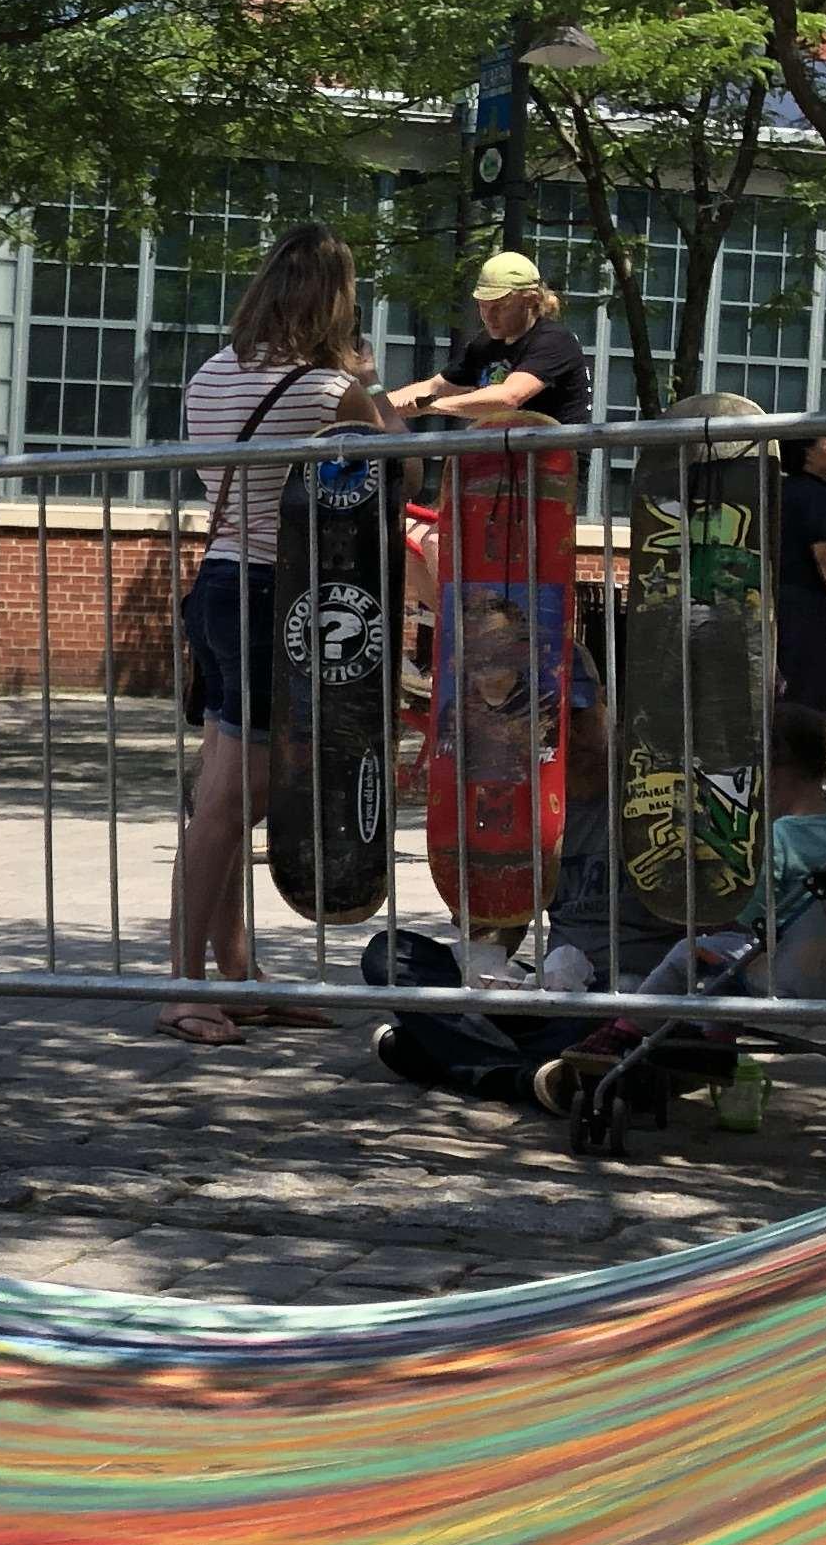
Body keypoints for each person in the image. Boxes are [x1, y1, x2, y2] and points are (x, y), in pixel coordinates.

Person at [163, 223, 392, 1046]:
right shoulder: (331, 391)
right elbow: (396, 462)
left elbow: (210, 473)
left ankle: (235, 973)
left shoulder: (210, 374)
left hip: (220, 579)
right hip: (274, 591)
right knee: (230, 802)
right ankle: (185, 985)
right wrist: (373, 384)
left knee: (220, 793)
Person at [390, 247, 592, 432]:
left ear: (530, 300)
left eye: (500, 306)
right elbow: (434, 387)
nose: (489, 316)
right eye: (483, 306)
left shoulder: (554, 340)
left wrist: (432, 405)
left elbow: (508, 397)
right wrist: (375, 408)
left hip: (551, 462)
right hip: (501, 456)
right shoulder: (484, 345)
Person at [775, 428, 826, 720]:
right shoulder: (818, 498)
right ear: (808, 453)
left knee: (785, 697)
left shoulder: (779, 493)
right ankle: (805, 760)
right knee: (811, 699)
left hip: (780, 606)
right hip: (811, 614)